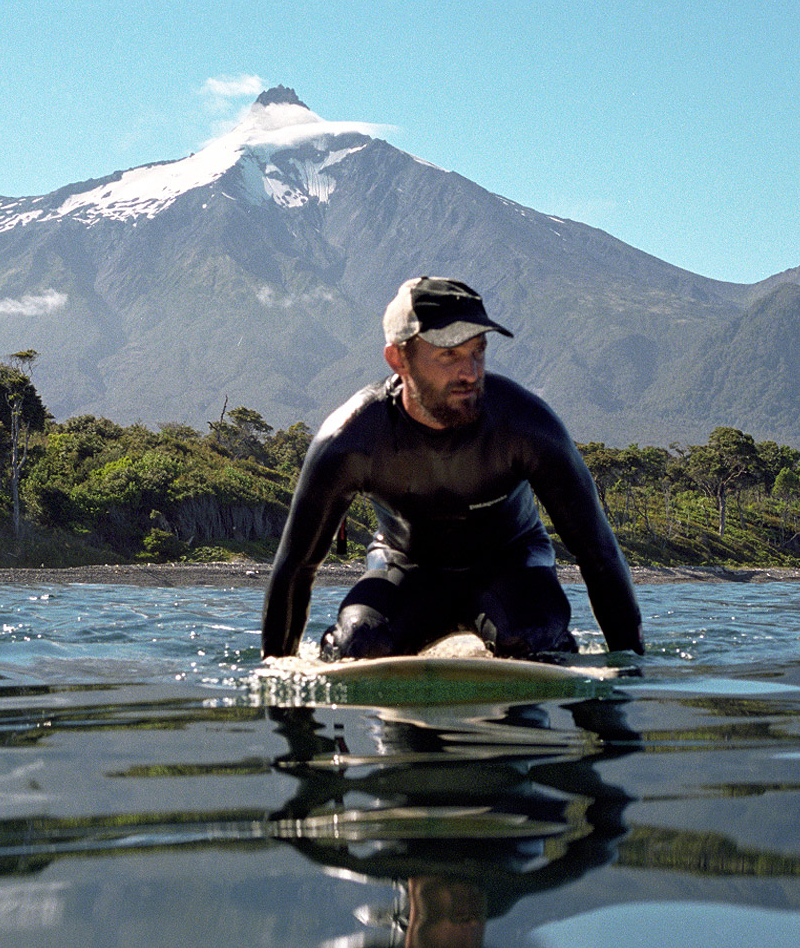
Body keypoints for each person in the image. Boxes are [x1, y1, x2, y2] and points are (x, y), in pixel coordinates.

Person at [261, 276, 643, 661]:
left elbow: (600, 556)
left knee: (530, 639)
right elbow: (296, 565)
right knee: (357, 645)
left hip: (510, 565)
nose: (471, 372)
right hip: (404, 567)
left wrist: (630, 674)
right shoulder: (350, 440)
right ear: (398, 359)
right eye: (449, 355)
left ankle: (541, 644)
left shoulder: (526, 425)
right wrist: (275, 679)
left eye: (478, 351)